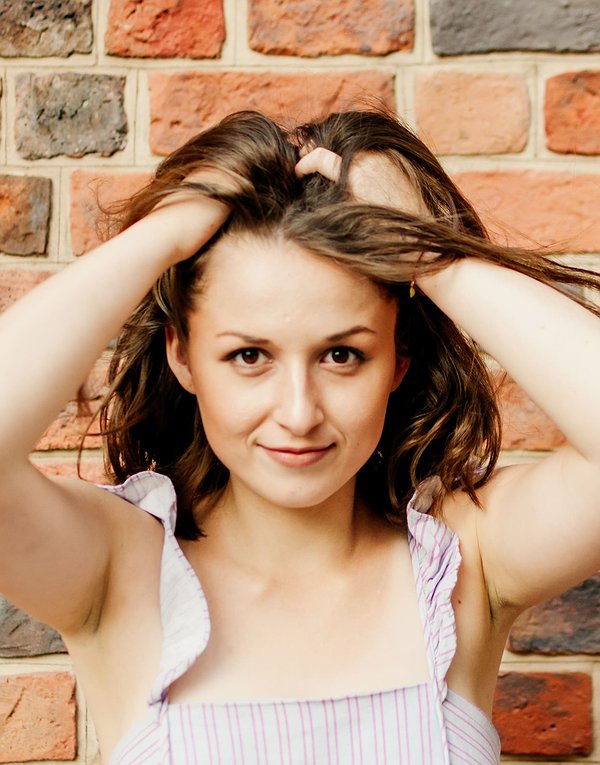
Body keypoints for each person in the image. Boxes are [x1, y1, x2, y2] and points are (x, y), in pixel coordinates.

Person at [0, 109, 599, 765]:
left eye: (341, 355)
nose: (298, 412)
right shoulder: (114, 569)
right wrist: (164, 235)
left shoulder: (468, 560)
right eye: (249, 355)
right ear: (182, 356)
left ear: (398, 359)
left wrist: (437, 259)